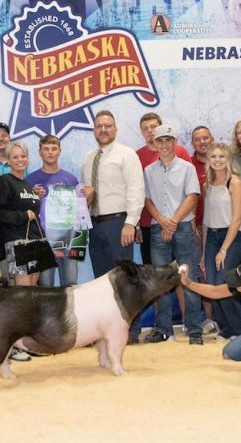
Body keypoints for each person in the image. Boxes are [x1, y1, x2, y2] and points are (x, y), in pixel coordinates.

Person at [82, 110, 144, 343]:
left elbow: (136, 190)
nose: (103, 130)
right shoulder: (89, 157)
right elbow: (87, 194)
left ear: (115, 129)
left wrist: (130, 223)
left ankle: (132, 330)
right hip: (94, 224)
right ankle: (106, 331)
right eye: (99, 126)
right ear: (94, 130)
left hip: (119, 223)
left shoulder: (126, 155)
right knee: (101, 283)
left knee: (124, 280)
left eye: (108, 125)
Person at [143, 124, 202, 344]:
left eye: (169, 140)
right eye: (160, 141)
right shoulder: (148, 171)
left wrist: (173, 222)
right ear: (155, 144)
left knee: (189, 277)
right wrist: (162, 221)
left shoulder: (187, 168)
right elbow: (147, 200)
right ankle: (163, 328)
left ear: (175, 142)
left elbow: (192, 197)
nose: (165, 145)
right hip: (160, 229)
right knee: (161, 280)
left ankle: (194, 329)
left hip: (183, 228)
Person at [135, 112, 191, 329]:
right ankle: (162, 326)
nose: (150, 131)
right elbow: (139, 193)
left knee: (182, 274)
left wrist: (179, 222)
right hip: (152, 226)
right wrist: (139, 224)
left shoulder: (181, 153)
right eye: (146, 128)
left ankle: (188, 322)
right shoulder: (137, 156)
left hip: (180, 224)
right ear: (142, 132)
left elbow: (190, 191)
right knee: (158, 279)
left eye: (153, 127)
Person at [202, 143, 241, 339]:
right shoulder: (207, 185)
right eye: (213, 157)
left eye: (221, 156)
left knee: (223, 284)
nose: (217, 160)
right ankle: (226, 328)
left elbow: (237, 218)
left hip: (233, 235)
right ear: (208, 160)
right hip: (212, 236)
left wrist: (224, 249)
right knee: (212, 285)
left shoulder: (235, 182)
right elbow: (205, 220)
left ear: (228, 159)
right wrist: (205, 252)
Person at [26, 135, 80, 287]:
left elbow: (79, 210)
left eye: (54, 149)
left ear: (59, 151)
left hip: (68, 239)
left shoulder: (71, 179)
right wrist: (32, 196)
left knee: (70, 284)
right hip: (42, 239)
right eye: (46, 149)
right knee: (45, 285)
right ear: (40, 152)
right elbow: (25, 209)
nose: (50, 152)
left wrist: (87, 195)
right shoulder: (30, 180)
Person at [0, 142, 42, 286]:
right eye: (15, 157)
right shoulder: (4, 181)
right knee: (24, 293)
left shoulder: (27, 185)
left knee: (33, 290)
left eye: (23, 156)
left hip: (36, 239)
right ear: (8, 160)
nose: (20, 160)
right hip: (18, 241)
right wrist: (23, 216)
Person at [190, 126, 218, 335]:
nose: (202, 142)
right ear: (193, 143)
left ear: (212, 139)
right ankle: (209, 319)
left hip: (223, 227)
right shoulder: (188, 165)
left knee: (223, 273)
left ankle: (226, 317)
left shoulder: (221, 161)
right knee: (204, 273)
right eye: (197, 139)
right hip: (199, 227)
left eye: (205, 138)